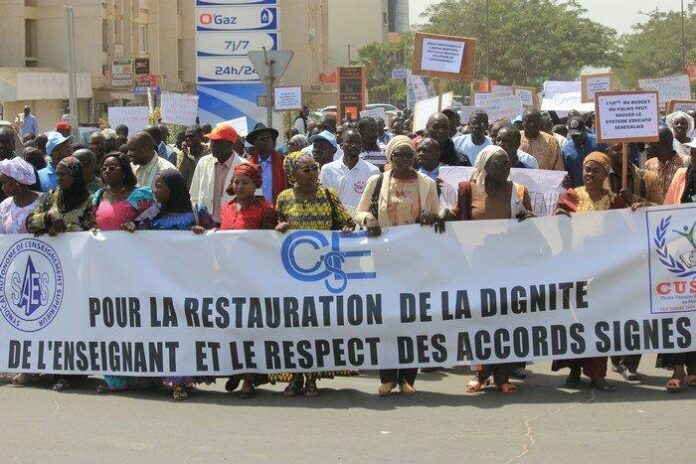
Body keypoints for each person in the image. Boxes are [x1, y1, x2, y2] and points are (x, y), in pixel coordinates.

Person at [354, 135, 445, 396]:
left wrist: (432, 216)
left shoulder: (426, 183)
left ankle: (407, 378)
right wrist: (369, 219)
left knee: (411, 320)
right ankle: (387, 377)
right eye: (398, 155)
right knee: (387, 320)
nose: (404, 160)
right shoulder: (378, 181)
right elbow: (358, 212)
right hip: (384, 259)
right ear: (389, 157)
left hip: (415, 260)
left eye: (408, 155)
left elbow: (436, 215)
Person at [275, 153, 356, 397]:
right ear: (293, 175)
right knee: (294, 328)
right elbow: (275, 230)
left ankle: (312, 378)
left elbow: (347, 221)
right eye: (306, 170)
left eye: (314, 168)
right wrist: (279, 228)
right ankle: (295, 378)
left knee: (316, 327)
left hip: (323, 273)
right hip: (294, 275)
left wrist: (346, 228)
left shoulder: (328, 196)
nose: (312, 173)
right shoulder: (285, 198)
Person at [454, 145, 533, 394]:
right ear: (485, 166)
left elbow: (526, 218)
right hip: (477, 267)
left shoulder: (516, 191)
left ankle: (502, 375)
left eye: (508, 163)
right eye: (499, 164)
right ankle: (481, 374)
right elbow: (458, 218)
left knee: (505, 322)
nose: (505, 168)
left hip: (507, 267)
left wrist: (529, 218)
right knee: (479, 322)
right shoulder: (468, 189)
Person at [552, 152, 627, 392]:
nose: (590, 174)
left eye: (595, 170)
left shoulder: (614, 201)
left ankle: (597, 375)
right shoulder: (572, 196)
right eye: (586, 169)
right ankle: (574, 371)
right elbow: (559, 232)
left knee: (599, 323)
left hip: (602, 272)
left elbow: (623, 235)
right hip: (575, 269)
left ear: (605, 174)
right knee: (574, 322)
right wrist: (560, 220)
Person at [26, 156, 96, 391]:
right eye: (57, 174)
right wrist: (47, 218)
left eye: (64, 174)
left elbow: (92, 229)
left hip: (79, 269)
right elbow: (30, 222)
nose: (59, 178)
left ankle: (73, 371)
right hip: (53, 269)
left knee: (74, 319)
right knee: (55, 318)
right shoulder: (52, 196)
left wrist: (66, 229)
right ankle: (56, 368)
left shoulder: (88, 200)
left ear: (75, 176)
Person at [92, 152, 156, 393]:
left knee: (136, 321)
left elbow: (155, 221)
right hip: (105, 270)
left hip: (134, 270)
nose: (108, 172)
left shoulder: (141, 196)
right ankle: (115, 379)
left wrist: (137, 226)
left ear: (125, 171)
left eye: (113, 168)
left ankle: (143, 375)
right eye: (105, 168)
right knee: (111, 322)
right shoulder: (99, 196)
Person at [218, 163, 278, 399]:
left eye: (245, 182)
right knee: (231, 327)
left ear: (256, 185)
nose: (240, 186)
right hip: (229, 276)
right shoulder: (226, 208)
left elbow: (270, 245)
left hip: (254, 277)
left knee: (251, 329)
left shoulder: (265, 209)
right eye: (237, 182)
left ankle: (249, 379)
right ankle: (236, 369)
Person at [656, 141, 696, 391]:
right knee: (677, 310)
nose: (693, 155)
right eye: (692, 151)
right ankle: (678, 370)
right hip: (680, 254)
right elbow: (668, 210)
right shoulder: (682, 175)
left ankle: (693, 369)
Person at [189, 123, 247, 226]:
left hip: (233, 229)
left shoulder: (245, 167)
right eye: (212, 141)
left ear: (230, 144)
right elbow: (194, 197)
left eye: (217, 142)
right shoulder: (203, 163)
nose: (211, 145)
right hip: (205, 228)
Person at [320, 127, 380, 213]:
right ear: (341, 145)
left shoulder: (372, 171)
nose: (354, 145)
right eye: (350, 142)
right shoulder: (328, 170)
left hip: (361, 223)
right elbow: (325, 200)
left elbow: (374, 203)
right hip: (336, 222)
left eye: (358, 142)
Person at [606, 144, 662, 210]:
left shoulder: (648, 178)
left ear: (629, 150)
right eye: (617, 149)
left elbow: (660, 208)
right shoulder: (600, 178)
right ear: (608, 152)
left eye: (625, 148)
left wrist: (640, 203)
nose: (622, 151)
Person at [644, 125, 690, 198]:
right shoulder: (649, 164)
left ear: (662, 145)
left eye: (650, 143)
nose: (646, 147)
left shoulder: (686, 162)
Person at [562, 115, 607, 187]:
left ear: (584, 129)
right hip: (578, 192)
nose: (575, 137)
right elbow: (566, 172)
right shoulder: (566, 149)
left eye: (578, 134)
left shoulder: (598, 143)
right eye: (573, 135)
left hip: (598, 190)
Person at [414, 137, 457, 211]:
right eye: (418, 151)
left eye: (425, 150)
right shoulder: (413, 176)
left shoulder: (450, 174)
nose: (420, 154)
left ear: (437, 154)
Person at [247, 123, 287, 202]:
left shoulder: (284, 162)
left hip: (278, 210)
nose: (266, 140)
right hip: (254, 211)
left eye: (268, 137)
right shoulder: (247, 164)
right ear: (254, 142)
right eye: (262, 138)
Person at [178, 124, 210, 189]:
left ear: (201, 136)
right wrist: (185, 156)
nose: (188, 138)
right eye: (186, 136)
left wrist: (189, 157)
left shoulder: (209, 152)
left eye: (191, 136)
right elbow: (180, 175)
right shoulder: (182, 153)